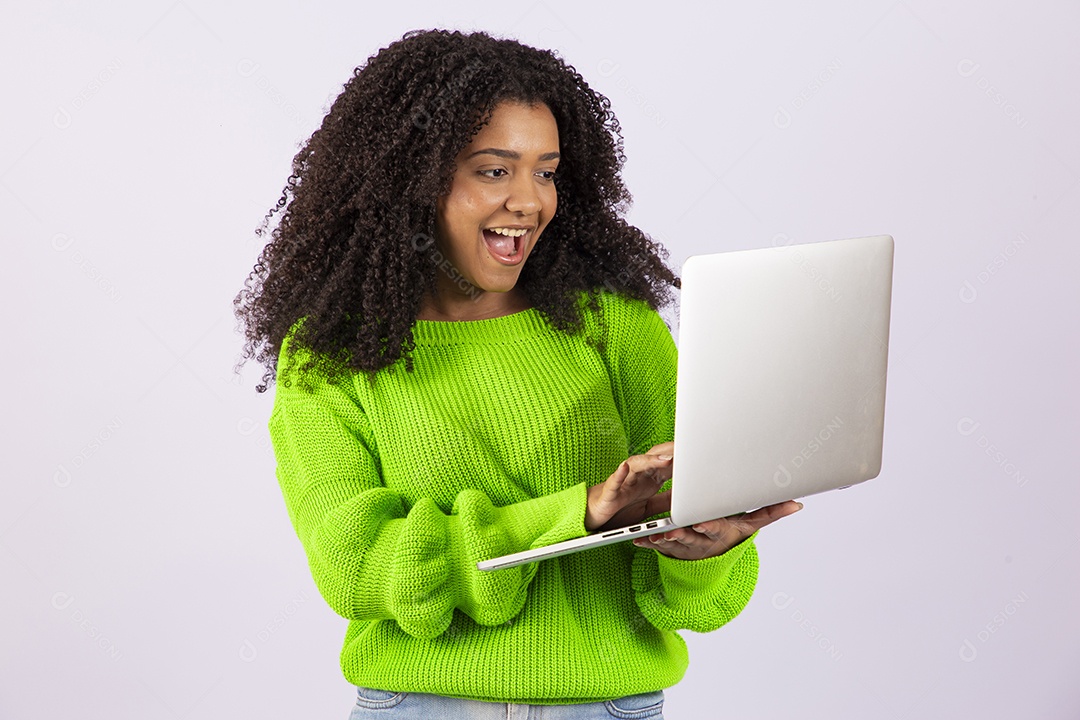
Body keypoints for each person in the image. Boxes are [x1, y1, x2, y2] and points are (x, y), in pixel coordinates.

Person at [234, 28, 802, 719]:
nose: (530, 202)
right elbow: (355, 568)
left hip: (610, 706)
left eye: (547, 171)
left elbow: (696, 592)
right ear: (411, 180)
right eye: (494, 170)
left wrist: (699, 551)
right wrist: (579, 512)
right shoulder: (331, 357)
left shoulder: (613, 326)